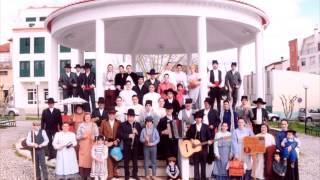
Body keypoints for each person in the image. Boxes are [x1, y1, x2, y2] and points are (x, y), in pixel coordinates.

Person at [186, 110, 213, 180]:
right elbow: (187, 136)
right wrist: (191, 139)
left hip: (203, 148)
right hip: (195, 149)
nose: (198, 119)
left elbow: (209, 137)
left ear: (201, 119)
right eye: (196, 118)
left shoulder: (206, 127)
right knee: (196, 164)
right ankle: (196, 178)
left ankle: (203, 178)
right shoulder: (192, 127)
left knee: (203, 164)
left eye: (199, 118)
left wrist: (210, 141)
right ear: (195, 119)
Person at [118, 109, 142, 180]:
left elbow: (141, 134)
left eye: (132, 117)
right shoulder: (123, 124)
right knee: (126, 161)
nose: (130, 118)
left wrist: (137, 132)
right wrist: (129, 136)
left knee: (135, 161)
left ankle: (135, 174)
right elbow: (120, 134)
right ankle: (127, 175)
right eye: (129, 116)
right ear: (127, 117)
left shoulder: (137, 124)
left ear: (134, 117)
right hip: (127, 145)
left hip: (135, 145)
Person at [100, 107, 121, 179]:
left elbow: (120, 133)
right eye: (110, 114)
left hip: (116, 141)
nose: (112, 115)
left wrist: (117, 140)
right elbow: (101, 133)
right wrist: (104, 141)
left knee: (116, 157)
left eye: (113, 114)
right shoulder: (104, 122)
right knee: (109, 158)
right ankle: (110, 174)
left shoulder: (118, 122)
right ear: (108, 114)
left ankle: (115, 172)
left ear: (115, 115)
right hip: (107, 142)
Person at [77, 112, 99, 180]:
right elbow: (77, 136)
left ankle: (92, 176)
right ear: (84, 118)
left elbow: (97, 136)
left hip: (91, 145)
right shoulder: (81, 125)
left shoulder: (94, 125)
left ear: (90, 118)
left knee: (91, 160)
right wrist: (82, 136)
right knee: (83, 161)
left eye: (88, 117)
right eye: (86, 117)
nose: (87, 118)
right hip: (83, 146)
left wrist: (94, 138)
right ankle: (84, 177)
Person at [199, 98, 220, 163]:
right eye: (204, 104)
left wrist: (213, 126)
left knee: (211, 143)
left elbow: (218, 121)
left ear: (210, 105)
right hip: (203, 129)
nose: (205, 105)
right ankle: (202, 158)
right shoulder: (201, 111)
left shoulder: (214, 111)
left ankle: (210, 158)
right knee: (203, 143)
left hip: (210, 129)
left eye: (207, 104)